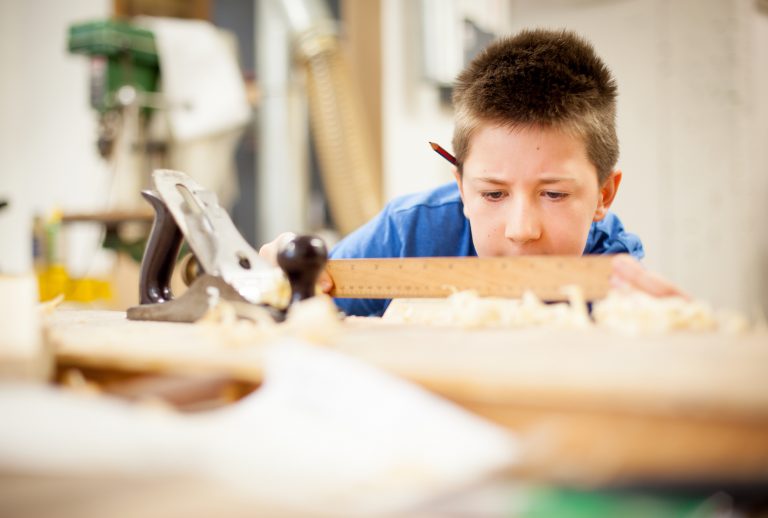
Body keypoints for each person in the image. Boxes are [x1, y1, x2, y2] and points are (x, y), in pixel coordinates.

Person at [261, 28, 685, 316]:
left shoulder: (613, 267)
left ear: (604, 196)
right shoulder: (407, 233)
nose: (521, 231)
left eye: (553, 194)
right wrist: (275, 288)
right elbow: (300, 313)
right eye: (493, 194)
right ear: (461, 188)